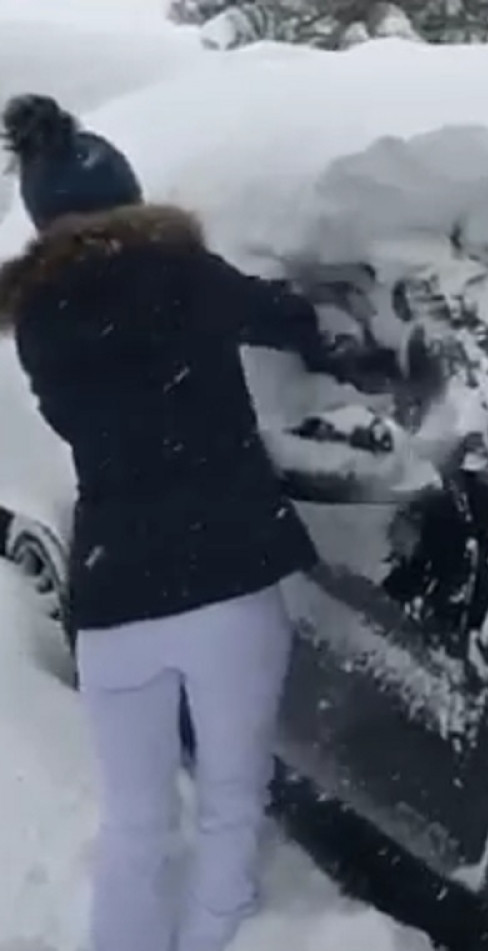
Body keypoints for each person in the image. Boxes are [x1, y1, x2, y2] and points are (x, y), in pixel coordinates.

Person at [0, 94, 332, 951]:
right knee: (229, 804)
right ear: (133, 197)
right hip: (225, 585)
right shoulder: (183, 275)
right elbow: (291, 319)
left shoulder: (36, 318)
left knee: (136, 824)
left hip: (114, 602)